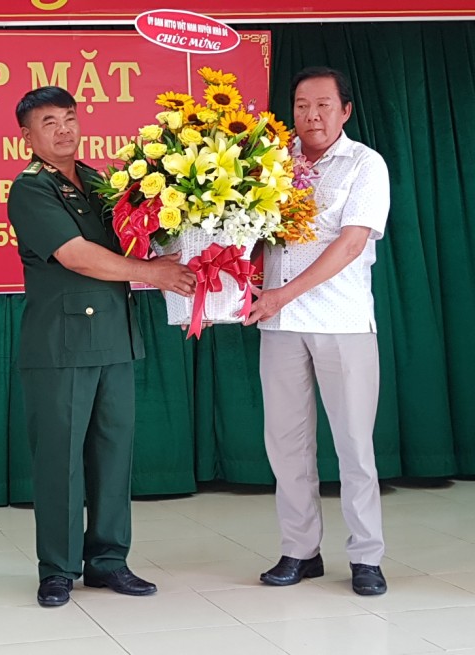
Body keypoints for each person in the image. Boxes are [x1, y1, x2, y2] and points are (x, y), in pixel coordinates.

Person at [6, 86, 195, 607]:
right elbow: (76, 255)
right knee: (60, 461)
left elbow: (136, 237)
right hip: (62, 344)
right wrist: (152, 273)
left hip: (114, 337)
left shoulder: (97, 182)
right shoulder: (30, 189)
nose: (64, 130)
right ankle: (58, 569)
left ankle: (109, 561)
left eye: (69, 118)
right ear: (27, 135)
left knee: (113, 455)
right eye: (49, 122)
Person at [245, 66, 391, 596]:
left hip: (342, 321)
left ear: (345, 110)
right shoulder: (271, 165)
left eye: (324, 105)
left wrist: (283, 293)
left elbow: (350, 244)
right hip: (280, 324)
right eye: (302, 105)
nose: (312, 115)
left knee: (354, 446)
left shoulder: (365, 164)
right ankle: (300, 551)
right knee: (286, 445)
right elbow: (251, 235)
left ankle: (366, 557)